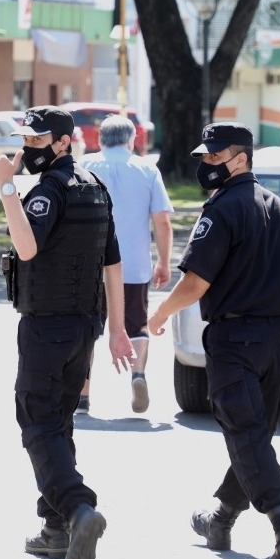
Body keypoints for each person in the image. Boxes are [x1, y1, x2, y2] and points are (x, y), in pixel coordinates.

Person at [147, 122, 280, 559]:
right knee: (253, 435)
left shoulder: (221, 209)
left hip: (235, 341)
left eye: (214, 157)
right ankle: (220, 518)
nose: (206, 164)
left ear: (240, 159)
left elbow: (196, 282)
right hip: (274, 341)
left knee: (246, 435)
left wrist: (160, 314)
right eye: (204, 157)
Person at [0, 105, 135, 559]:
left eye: (37, 140)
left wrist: (6, 187)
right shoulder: (94, 186)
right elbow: (114, 264)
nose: (28, 148)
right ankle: (55, 529)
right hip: (84, 327)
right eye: (25, 140)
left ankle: (77, 507)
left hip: (47, 327)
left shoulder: (48, 190)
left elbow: (27, 247)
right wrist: (117, 328)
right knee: (58, 422)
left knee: (37, 421)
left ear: (64, 142)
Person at [76, 114, 173, 415]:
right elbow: (162, 221)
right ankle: (138, 374)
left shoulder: (85, 166)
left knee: (88, 330)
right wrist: (164, 261)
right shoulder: (147, 169)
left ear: (100, 139)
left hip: (91, 266)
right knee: (137, 324)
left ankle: (82, 395)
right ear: (132, 140)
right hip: (133, 265)